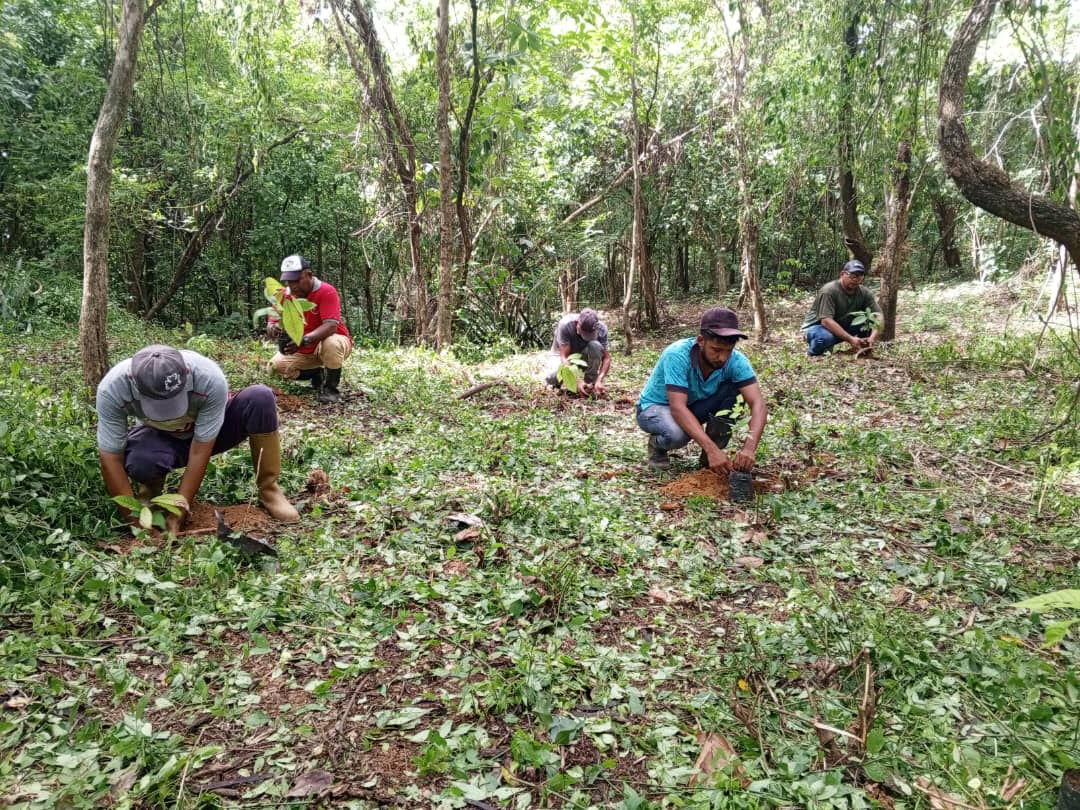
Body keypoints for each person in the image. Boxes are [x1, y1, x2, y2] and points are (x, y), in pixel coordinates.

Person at [96, 344, 300, 534]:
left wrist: (180, 509)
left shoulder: (208, 377)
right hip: (162, 438)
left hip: (210, 435)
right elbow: (110, 458)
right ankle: (150, 495)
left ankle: (269, 490)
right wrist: (134, 522)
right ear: (134, 383)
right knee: (141, 460)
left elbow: (200, 449)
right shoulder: (113, 389)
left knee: (260, 398)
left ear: (186, 375)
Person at [636, 307, 767, 471]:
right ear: (701, 341)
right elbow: (677, 408)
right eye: (716, 350)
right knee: (677, 435)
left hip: (693, 406)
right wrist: (711, 449)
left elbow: (758, 404)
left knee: (735, 391)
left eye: (728, 351)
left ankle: (709, 460)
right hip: (655, 408)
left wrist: (749, 448)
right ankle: (658, 446)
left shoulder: (737, 362)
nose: (723, 358)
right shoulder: (677, 354)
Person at [266, 254, 353, 404]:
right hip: (305, 348)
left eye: (297, 281)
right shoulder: (284, 296)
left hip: (332, 342)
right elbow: (272, 321)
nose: (292, 286)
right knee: (274, 367)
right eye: (289, 282)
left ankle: (330, 389)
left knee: (331, 343)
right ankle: (317, 374)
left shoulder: (326, 291)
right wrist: (273, 327)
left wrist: (304, 339)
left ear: (309, 275)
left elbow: (331, 326)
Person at [801, 259, 881, 356]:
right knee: (822, 338)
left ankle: (863, 348)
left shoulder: (864, 292)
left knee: (869, 320)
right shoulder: (829, 291)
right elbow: (826, 321)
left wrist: (872, 337)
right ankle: (813, 353)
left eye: (859, 276)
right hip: (818, 327)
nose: (855, 279)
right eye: (852, 275)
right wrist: (850, 339)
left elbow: (878, 316)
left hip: (843, 325)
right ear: (842, 274)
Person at [544, 308, 612, 397]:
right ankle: (559, 383)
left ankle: (590, 383)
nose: (587, 337)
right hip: (564, 357)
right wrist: (577, 380)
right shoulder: (566, 324)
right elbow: (564, 357)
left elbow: (606, 358)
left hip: (584, 356)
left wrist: (600, 379)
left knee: (595, 345)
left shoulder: (601, 329)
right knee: (551, 377)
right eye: (584, 333)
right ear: (577, 324)